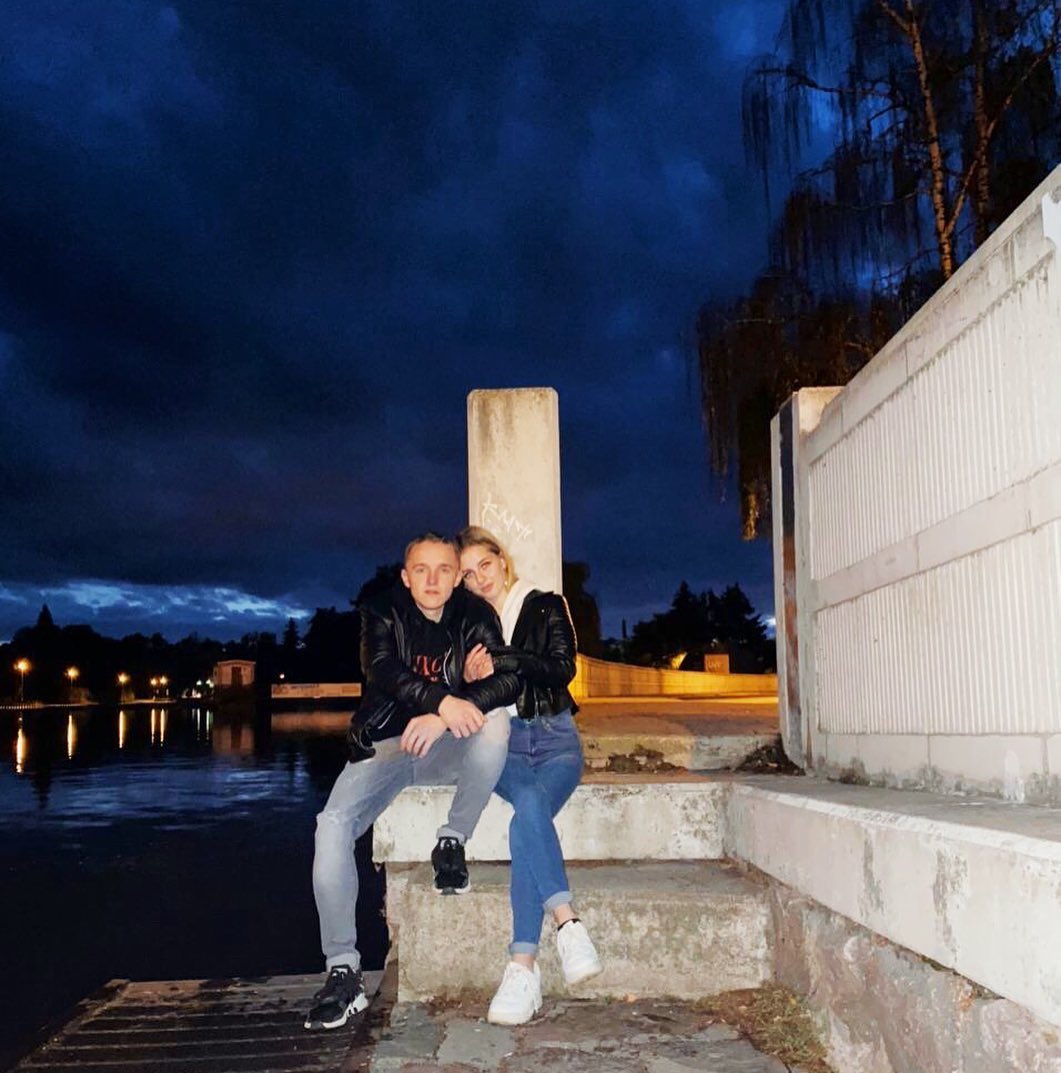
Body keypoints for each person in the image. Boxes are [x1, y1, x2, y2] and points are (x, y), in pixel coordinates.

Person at [305, 532, 520, 1031]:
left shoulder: (475, 614)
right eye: (421, 570)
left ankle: (452, 839)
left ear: (457, 576)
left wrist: (443, 717)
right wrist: (442, 700)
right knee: (331, 825)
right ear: (405, 576)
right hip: (387, 744)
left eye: (444, 569)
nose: (432, 580)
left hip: (446, 745)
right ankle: (343, 970)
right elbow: (381, 670)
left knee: (495, 724)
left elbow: (506, 680)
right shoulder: (381, 610)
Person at [456, 525, 603, 1025]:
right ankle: (567, 923)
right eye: (467, 575)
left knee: (527, 816)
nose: (479, 579)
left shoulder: (546, 605)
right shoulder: (467, 624)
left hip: (557, 739)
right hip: (503, 745)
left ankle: (523, 969)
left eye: (485, 565)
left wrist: (503, 659)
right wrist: (467, 677)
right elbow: (456, 693)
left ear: (503, 561)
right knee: (529, 806)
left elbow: (562, 668)